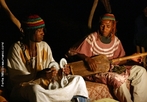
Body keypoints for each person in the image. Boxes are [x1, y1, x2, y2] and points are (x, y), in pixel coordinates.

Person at [66, 13, 147, 102]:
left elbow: (118, 61)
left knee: (141, 71)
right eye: (102, 25)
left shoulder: (116, 41)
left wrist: (131, 58)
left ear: (113, 27)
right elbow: (73, 52)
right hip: (97, 72)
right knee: (117, 79)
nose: (104, 29)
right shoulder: (92, 38)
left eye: (108, 26)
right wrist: (87, 59)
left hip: (113, 68)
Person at [7, 14, 89, 102]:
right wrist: (38, 75)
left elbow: (53, 65)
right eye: (39, 30)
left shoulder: (44, 46)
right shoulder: (16, 48)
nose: (43, 33)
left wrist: (61, 71)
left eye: (43, 30)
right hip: (24, 87)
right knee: (35, 90)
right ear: (30, 32)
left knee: (78, 80)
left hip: (47, 84)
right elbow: (15, 78)